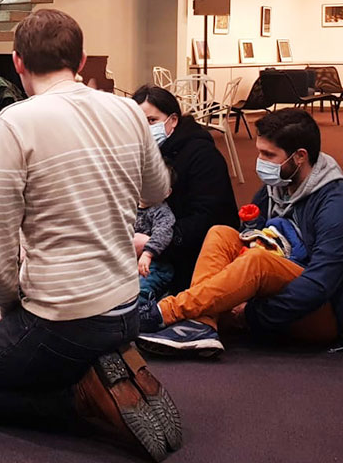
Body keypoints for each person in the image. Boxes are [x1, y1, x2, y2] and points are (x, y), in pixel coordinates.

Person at [0, 10, 180, 461]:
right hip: (127, 307)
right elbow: (158, 190)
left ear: (17, 63)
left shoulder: (14, 121)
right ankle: (104, 366)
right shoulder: (129, 109)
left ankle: (84, 399)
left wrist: (7, 307)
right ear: (82, 59)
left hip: (65, 316)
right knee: (32, 358)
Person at [137, 109, 343, 357]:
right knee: (221, 233)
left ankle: (163, 312)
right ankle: (201, 324)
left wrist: (251, 314)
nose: (260, 161)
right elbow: (249, 236)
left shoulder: (333, 203)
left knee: (257, 261)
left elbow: (319, 284)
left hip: (321, 312)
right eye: (259, 152)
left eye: (269, 154)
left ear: (300, 156)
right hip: (272, 286)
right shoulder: (277, 187)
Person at [132, 85, 238, 293]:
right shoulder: (140, 153)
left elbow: (208, 218)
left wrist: (155, 244)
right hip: (150, 247)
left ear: (173, 120)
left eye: (152, 121)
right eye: (138, 122)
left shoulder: (202, 156)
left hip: (192, 252)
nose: (145, 129)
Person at [135, 186, 177, 303]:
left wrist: (148, 253)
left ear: (166, 192)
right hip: (134, 264)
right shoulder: (131, 208)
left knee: (141, 290)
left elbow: (163, 233)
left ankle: (147, 312)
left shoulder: (161, 211)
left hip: (156, 266)